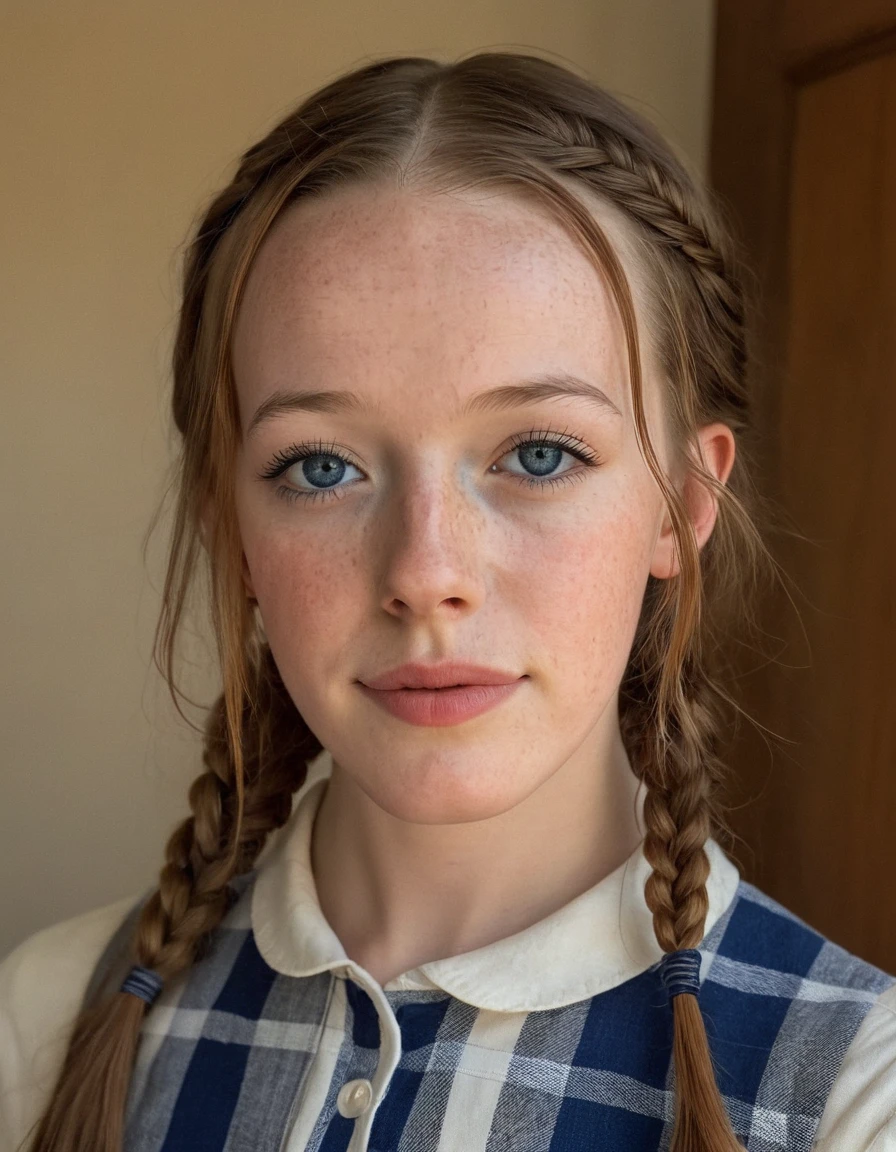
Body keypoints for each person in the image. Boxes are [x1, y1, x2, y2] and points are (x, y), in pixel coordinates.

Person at [1, 50, 894, 1152]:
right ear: (230, 524)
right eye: (320, 467)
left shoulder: (855, 1090)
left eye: (538, 452)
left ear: (682, 500)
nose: (425, 571)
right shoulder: (43, 1020)